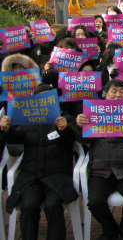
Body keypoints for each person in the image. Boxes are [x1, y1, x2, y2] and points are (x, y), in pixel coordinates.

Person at [0, 85, 79, 240]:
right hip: (31, 175)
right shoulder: (26, 121)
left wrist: (64, 130)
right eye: (40, 99)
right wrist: (5, 130)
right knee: (28, 206)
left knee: (52, 206)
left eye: (48, 98)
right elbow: (15, 139)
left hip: (57, 175)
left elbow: (75, 139)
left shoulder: (65, 118)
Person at [76, 80, 123, 240]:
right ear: (106, 94)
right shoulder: (93, 112)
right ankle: (109, 229)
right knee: (94, 202)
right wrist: (79, 126)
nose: (118, 95)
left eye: (122, 91)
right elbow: (83, 141)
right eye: (114, 91)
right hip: (101, 169)